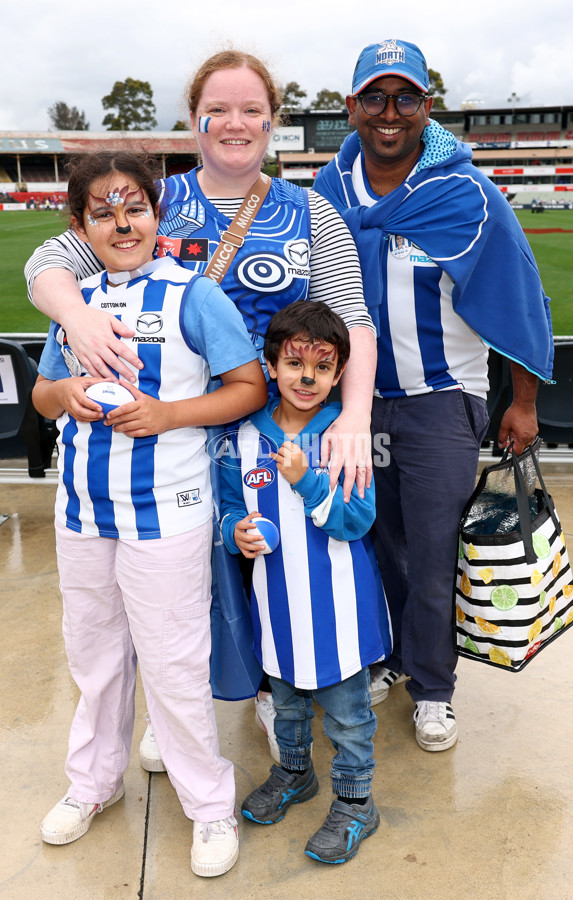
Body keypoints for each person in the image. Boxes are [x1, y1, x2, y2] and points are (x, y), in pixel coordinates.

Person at [24, 49, 377, 766]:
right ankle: (178, 708)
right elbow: (48, 266)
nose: (235, 122)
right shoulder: (151, 201)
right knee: (187, 589)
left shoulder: (311, 210)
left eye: (253, 108)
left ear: (273, 122)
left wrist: (355, 419)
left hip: (274, 428)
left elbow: (356, 321)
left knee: (274, 563)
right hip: (175, 443)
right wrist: (81, 322)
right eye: (219, 107)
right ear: (194, 120)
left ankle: (280, 698)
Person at [31, 150, 267, 877]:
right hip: (83, 513)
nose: (121, 221)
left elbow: (249, 386)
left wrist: (168, 414)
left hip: (167, 511)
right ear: (81, 226)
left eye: (134, 207)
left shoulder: (195, 296)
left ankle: (209, 804)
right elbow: (44, 393)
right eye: (103, 212)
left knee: (173, 665)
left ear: (156, 217)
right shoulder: (77, 304)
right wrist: (64, 396)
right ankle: (93, 784)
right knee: (95, 660)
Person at [314, 39, 553, 751]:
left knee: (431, 550)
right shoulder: (328, 192)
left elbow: (517, 298)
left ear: (426, 108)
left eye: (407, 98)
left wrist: (525, 402)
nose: (391, 114)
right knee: (374, 543)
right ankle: (391, 658)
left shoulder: (465, 192)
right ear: (352, 107)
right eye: (376, 98)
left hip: (439, 400)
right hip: (351, 406)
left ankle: (434, 687)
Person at [219, 300, 391, 864]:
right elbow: (225, 507)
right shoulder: (240, 438)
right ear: (270, 365)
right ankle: (295, 774)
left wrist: (307, 481)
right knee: (287, 703)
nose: (308, 378)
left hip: (339, 608)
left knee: (347, 714)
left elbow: (357, 520)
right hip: (277, 605)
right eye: (295, 363)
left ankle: (356, 800)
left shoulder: (345, 434)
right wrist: (234, 531)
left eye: (323, 366)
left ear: (340, 373)